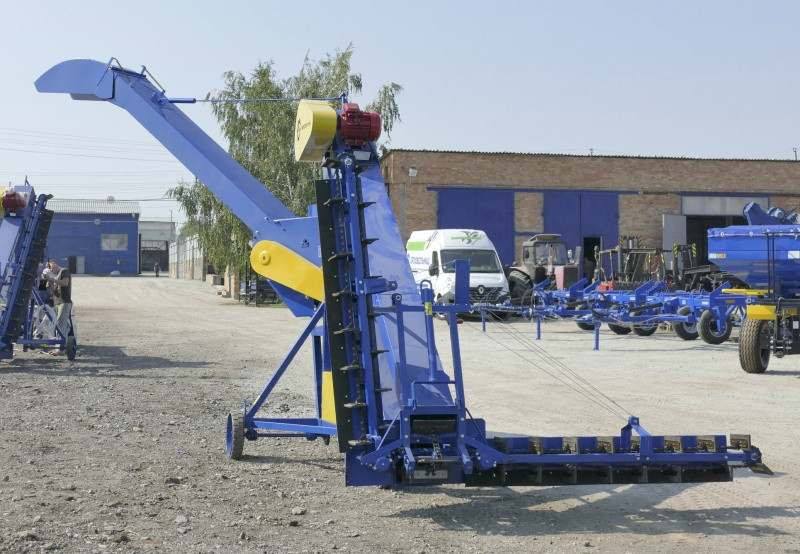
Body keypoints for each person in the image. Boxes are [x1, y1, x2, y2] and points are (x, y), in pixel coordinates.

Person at [42, 259, 73, 356]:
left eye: (50, 267)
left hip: (64, 302)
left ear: (55, 264)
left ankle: (60, 349)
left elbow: (65, 283)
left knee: (60, 324)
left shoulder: (64, 271)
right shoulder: (56, 276)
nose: (50, 270)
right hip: (57, 302)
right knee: (57, 324)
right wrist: (50, 288)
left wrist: (52, 279)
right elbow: (56, 293)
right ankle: (58, 347)